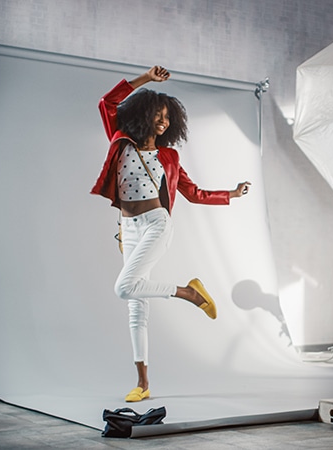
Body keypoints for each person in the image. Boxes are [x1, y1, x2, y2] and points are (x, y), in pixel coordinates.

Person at [91, 65, 250, 402]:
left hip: (156, 223)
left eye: (167, 118)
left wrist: (231, 195)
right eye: (158, 115)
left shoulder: (169, 156)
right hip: (128, 227)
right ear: (143, 114)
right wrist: (146, 79)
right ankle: (143, 384)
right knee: (135, 304)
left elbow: (193, 193)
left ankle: (189, 293)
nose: (162, 122)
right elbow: (106, 102)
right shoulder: (120, 139)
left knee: (124, 287)